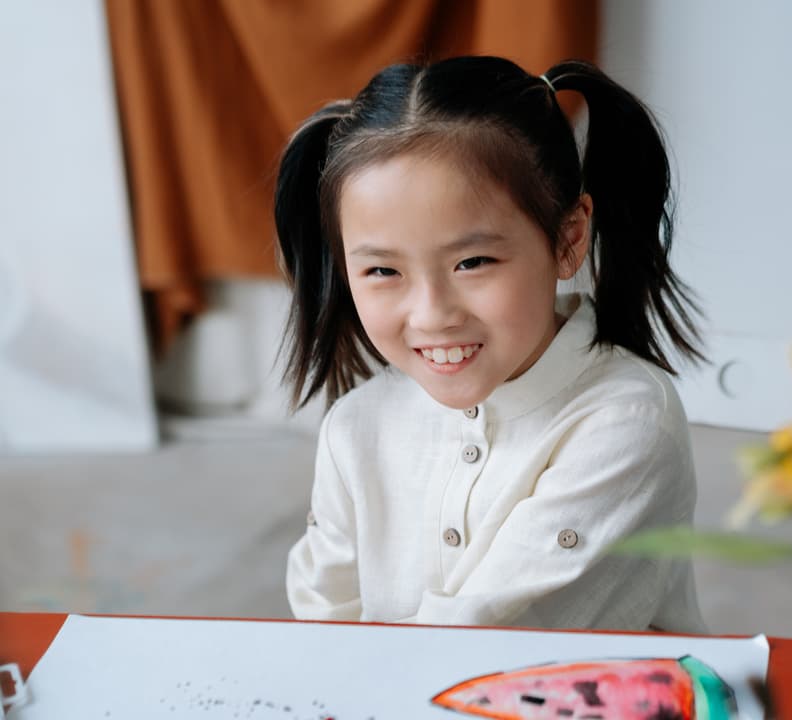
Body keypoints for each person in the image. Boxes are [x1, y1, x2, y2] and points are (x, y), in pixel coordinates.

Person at [276, 55, 707, 633]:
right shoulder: (355, 427)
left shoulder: (628, 422)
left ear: (568, 238)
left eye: (472, 262)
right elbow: (323, 621)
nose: (432, 315)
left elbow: (492, 640)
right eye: (383, 271)